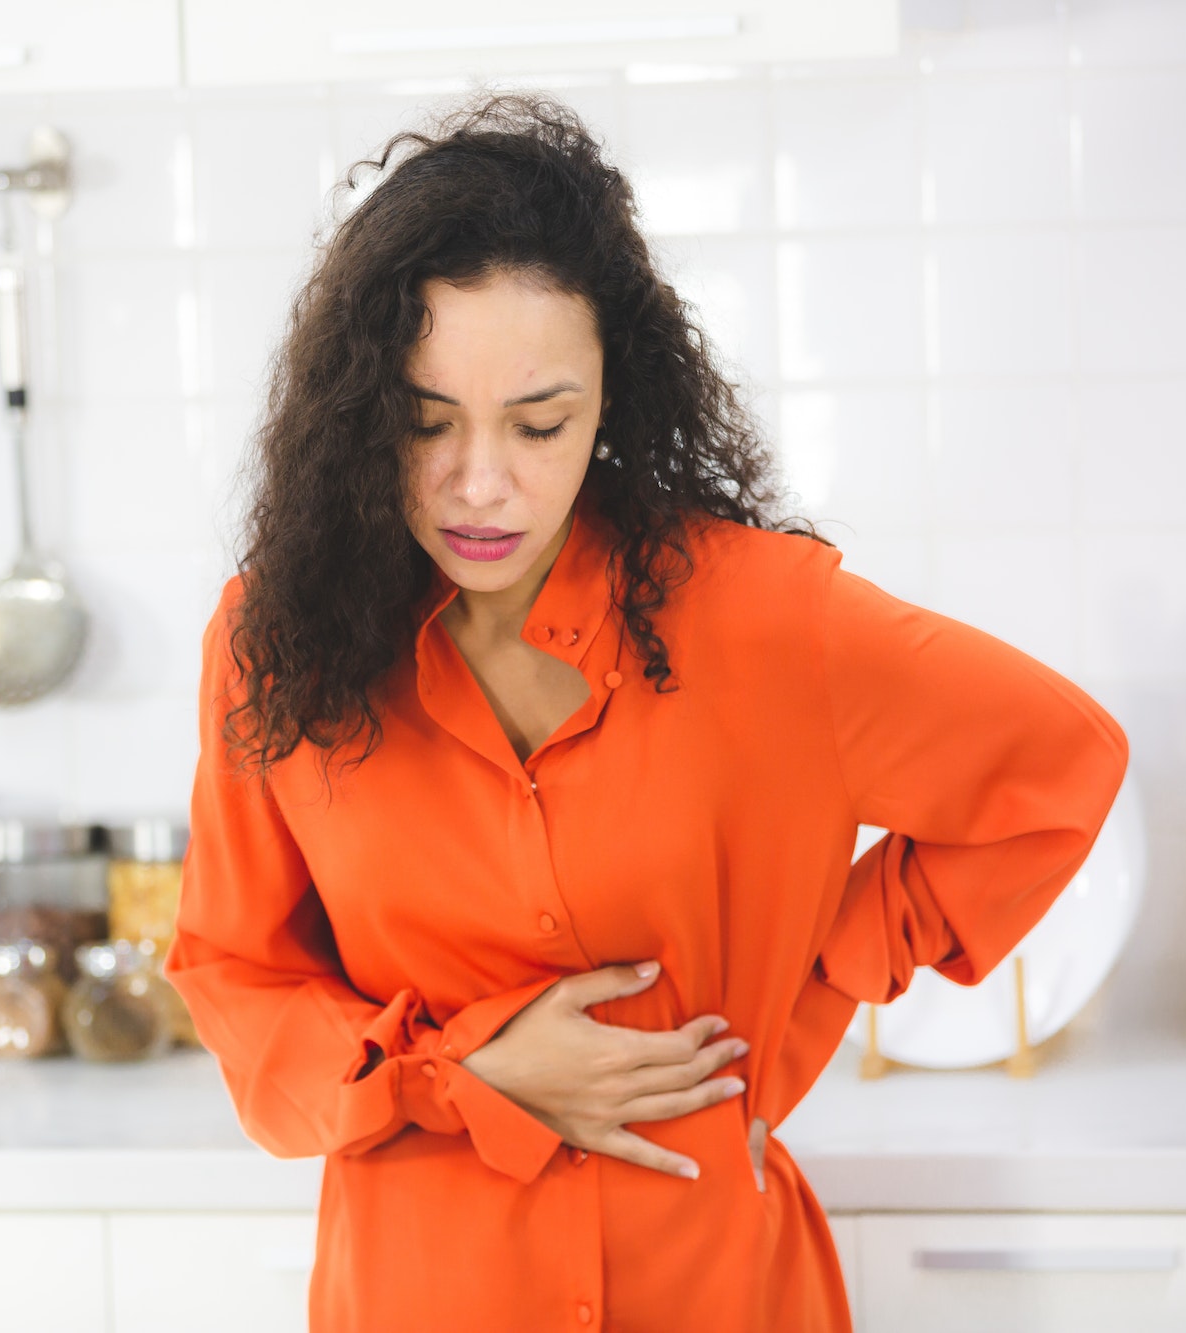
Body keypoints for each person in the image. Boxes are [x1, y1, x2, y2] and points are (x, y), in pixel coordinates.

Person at [162, 91, 1130, 1332]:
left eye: (538, 422)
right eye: (423, 422)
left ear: (611, 399)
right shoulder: (273, 639)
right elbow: (233, 973)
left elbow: (1055, 766)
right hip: (420, 1295)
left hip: (719, 1289)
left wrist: (808, 989)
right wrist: (458, 1074)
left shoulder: (769, 620)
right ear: (360, 415)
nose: (479, 484)